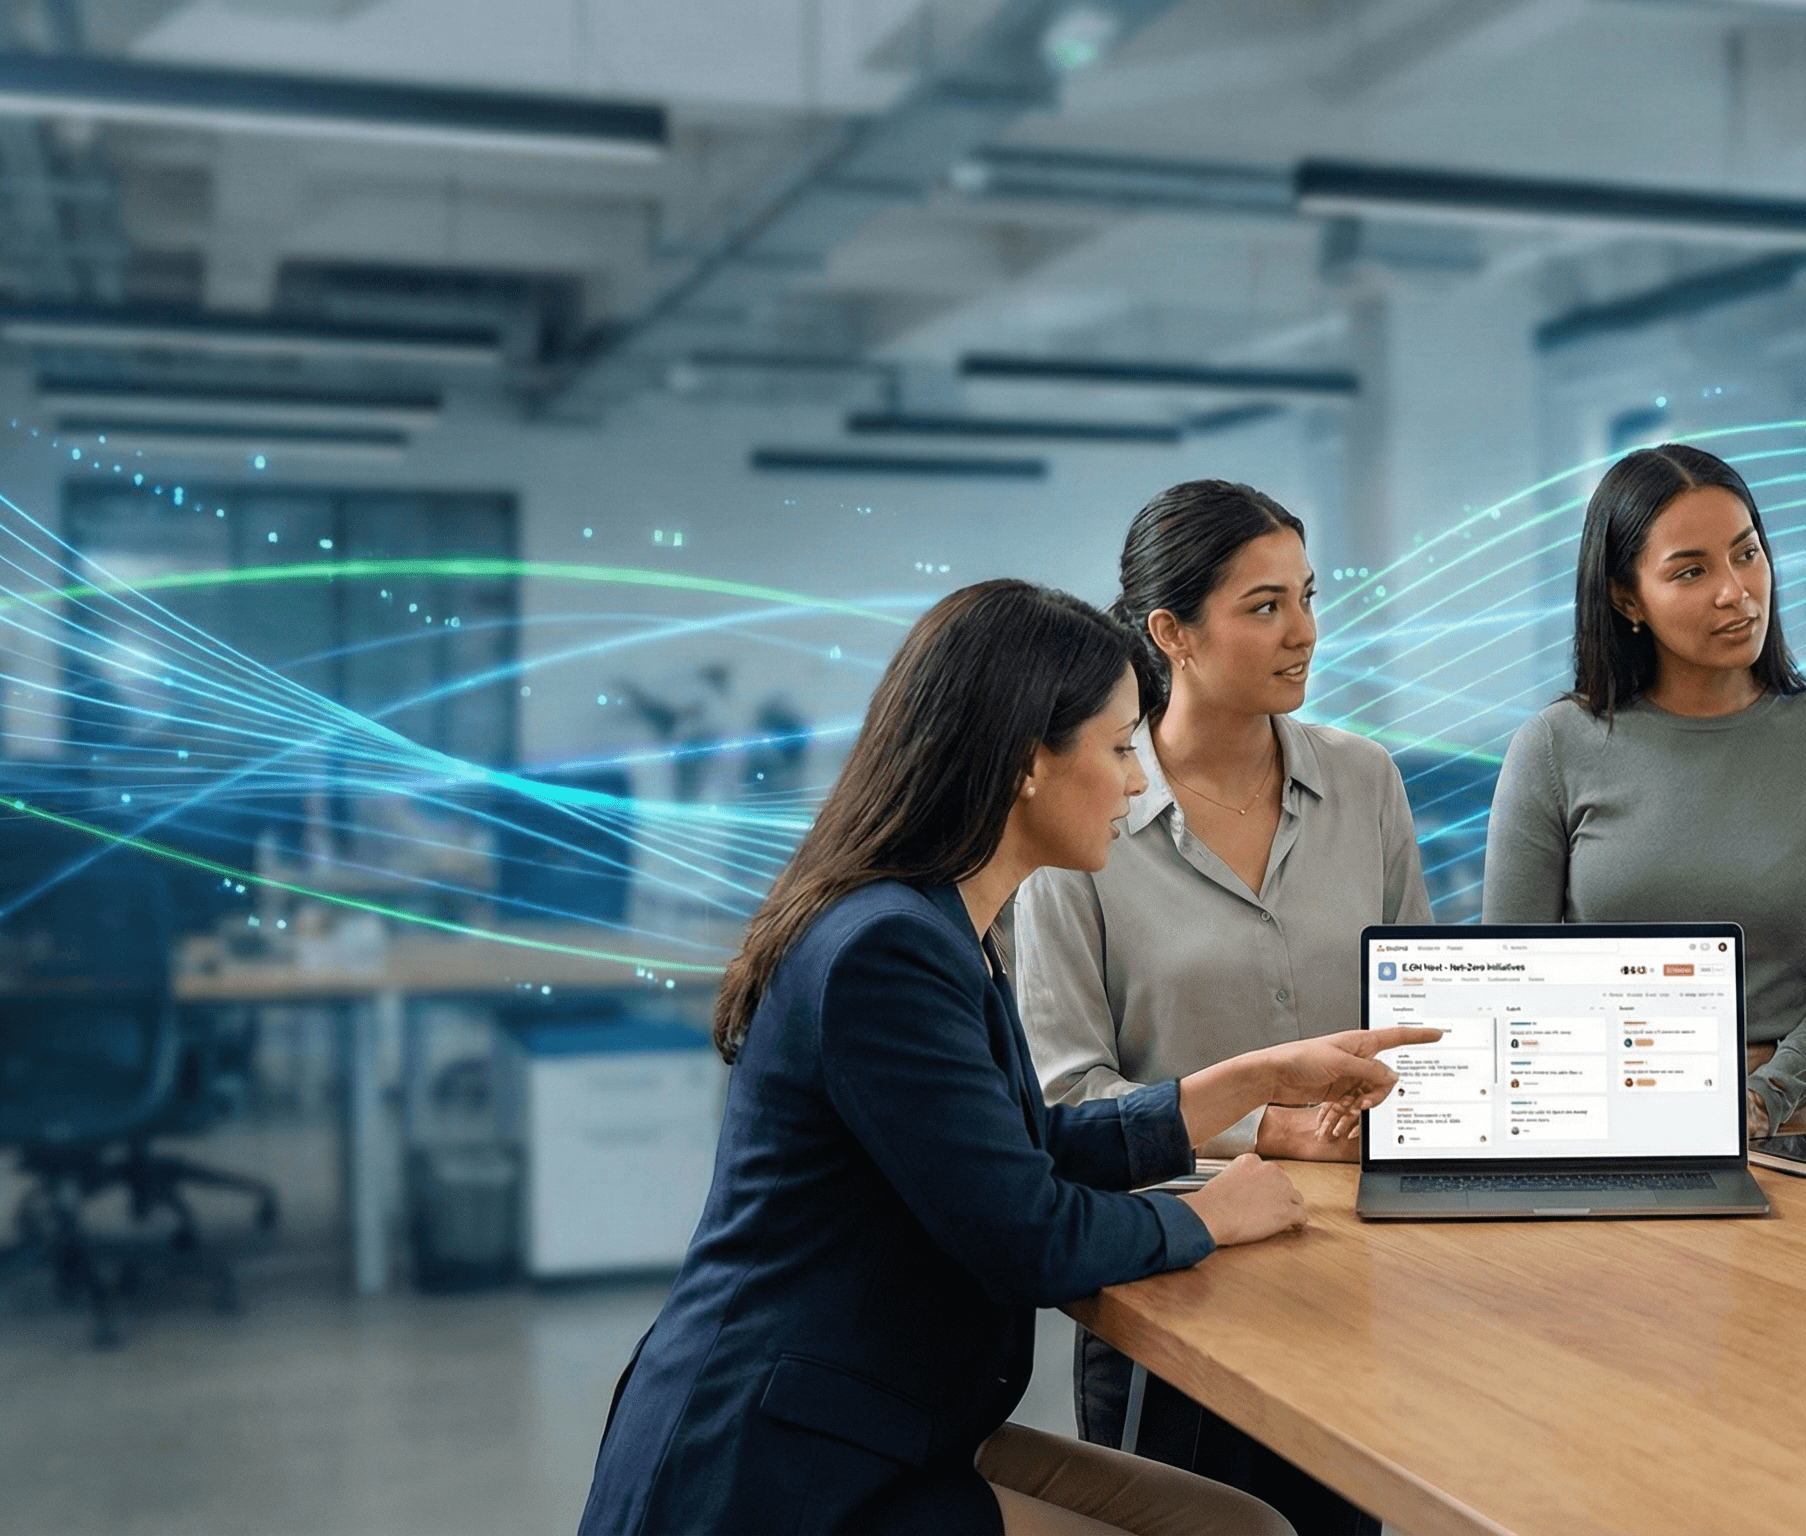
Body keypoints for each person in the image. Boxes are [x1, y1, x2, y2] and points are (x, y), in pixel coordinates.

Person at [578, 580, 1438, 1536]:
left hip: (883, 1418)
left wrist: (1244, 1083)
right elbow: (1028, 1235)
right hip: (782, 1466)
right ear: (1029, 761)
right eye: (1119, 748)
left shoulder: (939, 923)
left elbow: (1013, 1154)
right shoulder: (886, 950)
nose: (1137, 782)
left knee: (1247, 1528)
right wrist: (1209, 1217)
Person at [1015, 481, 1429, 1536]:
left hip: (1360, 1265)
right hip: (1173, 1268)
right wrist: (1265, 1128)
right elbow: (1066, 1095)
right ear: (1172, 633)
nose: (1304, 632)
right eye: (1263, 606)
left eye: (1307, 597)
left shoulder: (1366, 781)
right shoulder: (1086, 814)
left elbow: (1420, 1016)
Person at [1484, 443, 1806, 1136]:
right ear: (1626, 599)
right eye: (1690, 571)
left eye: (1747, 553)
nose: (1735, 591)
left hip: (1783, 1121)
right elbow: (1509, 979)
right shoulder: (1555, 746)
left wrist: (1764, 1097)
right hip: (1598, 1118)